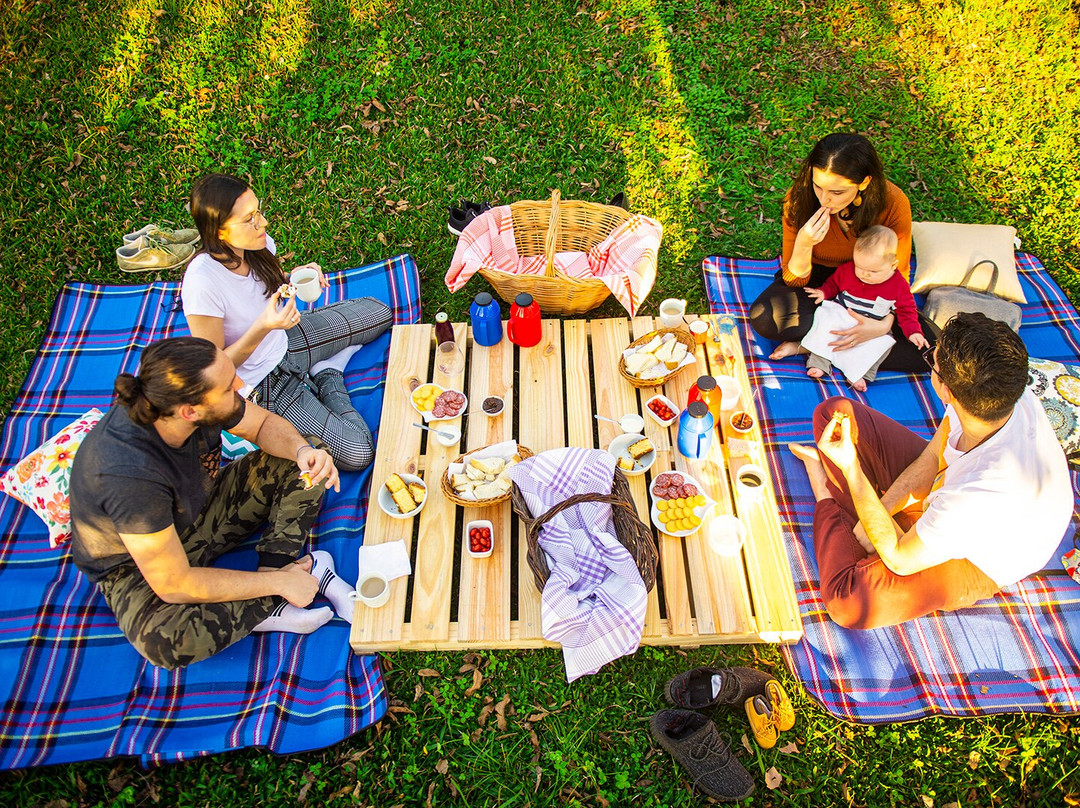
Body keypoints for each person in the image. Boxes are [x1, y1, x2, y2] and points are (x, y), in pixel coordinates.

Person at [70, 337, 359, 670]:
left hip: (197, 509)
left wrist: (303, 452)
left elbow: (263, 424)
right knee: (168, 641)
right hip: (138, 566)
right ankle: (290, 584)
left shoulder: (190, 403)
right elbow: (173, 582)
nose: (238, 385)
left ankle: (277, 575)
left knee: (307, 459)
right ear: (189, 411)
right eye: (226, 388)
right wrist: (276, 584)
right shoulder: (127, 476)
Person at [790, 313, 1073, 630]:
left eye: (932, 360)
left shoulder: (982, 492)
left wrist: (850, 468)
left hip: (979, 561)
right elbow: (935, 456)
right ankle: (873, 518)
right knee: (836, 415)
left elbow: (899, 557)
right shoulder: (999, 393)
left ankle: (826, 494)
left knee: (850, 602)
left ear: (945, 387)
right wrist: (884, 508)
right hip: (954, 499)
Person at [183, 173, 393, 471]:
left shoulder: (253, 246)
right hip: (262, 384)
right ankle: (328, 374)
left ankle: (318, 365)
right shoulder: (202, 283)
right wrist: (263, 327)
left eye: (259, 211)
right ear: (220, 232)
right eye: (250, 219)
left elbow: (263, 285)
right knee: (358, 453)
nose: (263, 222)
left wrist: (293, 277)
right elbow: (213, 372)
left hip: (286, 341)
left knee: (379, 312)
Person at [748, 133, 936, 372]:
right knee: (767, 318)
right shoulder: (800, 199)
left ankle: (815, 345)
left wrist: (883, 325)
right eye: (818, 186)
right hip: (818, 282)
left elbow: (897, 274)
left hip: (873, 287)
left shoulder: (893, 203)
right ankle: (855, 347)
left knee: (929, 351)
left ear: (864, 182)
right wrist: (804, 244)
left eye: (837, 193)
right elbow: (793, 279)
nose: (825, 199)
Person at [804, 226, 929, 391]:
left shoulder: (898, 285)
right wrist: (823, 292)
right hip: (843, 314)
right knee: (825, 325)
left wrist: (914, 332)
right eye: (860, 267)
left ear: (893, 265)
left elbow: (906, 310)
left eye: (873, 271)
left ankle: (860, 372)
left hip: (873, 325)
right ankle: (819, 362)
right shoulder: (848, 271)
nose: (864, 274)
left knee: (883, 344)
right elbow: (834, 283)